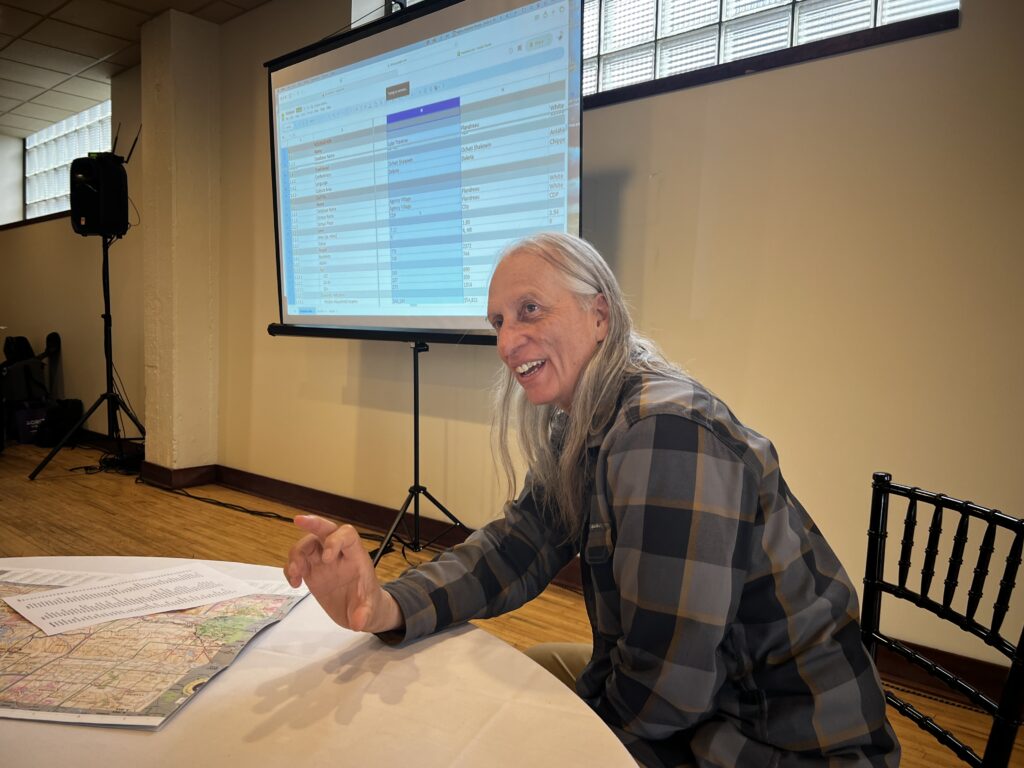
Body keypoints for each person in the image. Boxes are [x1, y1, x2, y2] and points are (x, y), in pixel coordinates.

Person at [285, 232, 900, 767]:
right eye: (499, 322)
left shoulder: (663, 432)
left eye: (530, 310)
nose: (508, 341)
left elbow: (668, 689)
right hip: (708, 700)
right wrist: (385, 605)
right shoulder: (586, 421)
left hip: (776, 740)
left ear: (599, 314)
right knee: (518, 677)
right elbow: (512, 550)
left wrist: (561, 741)